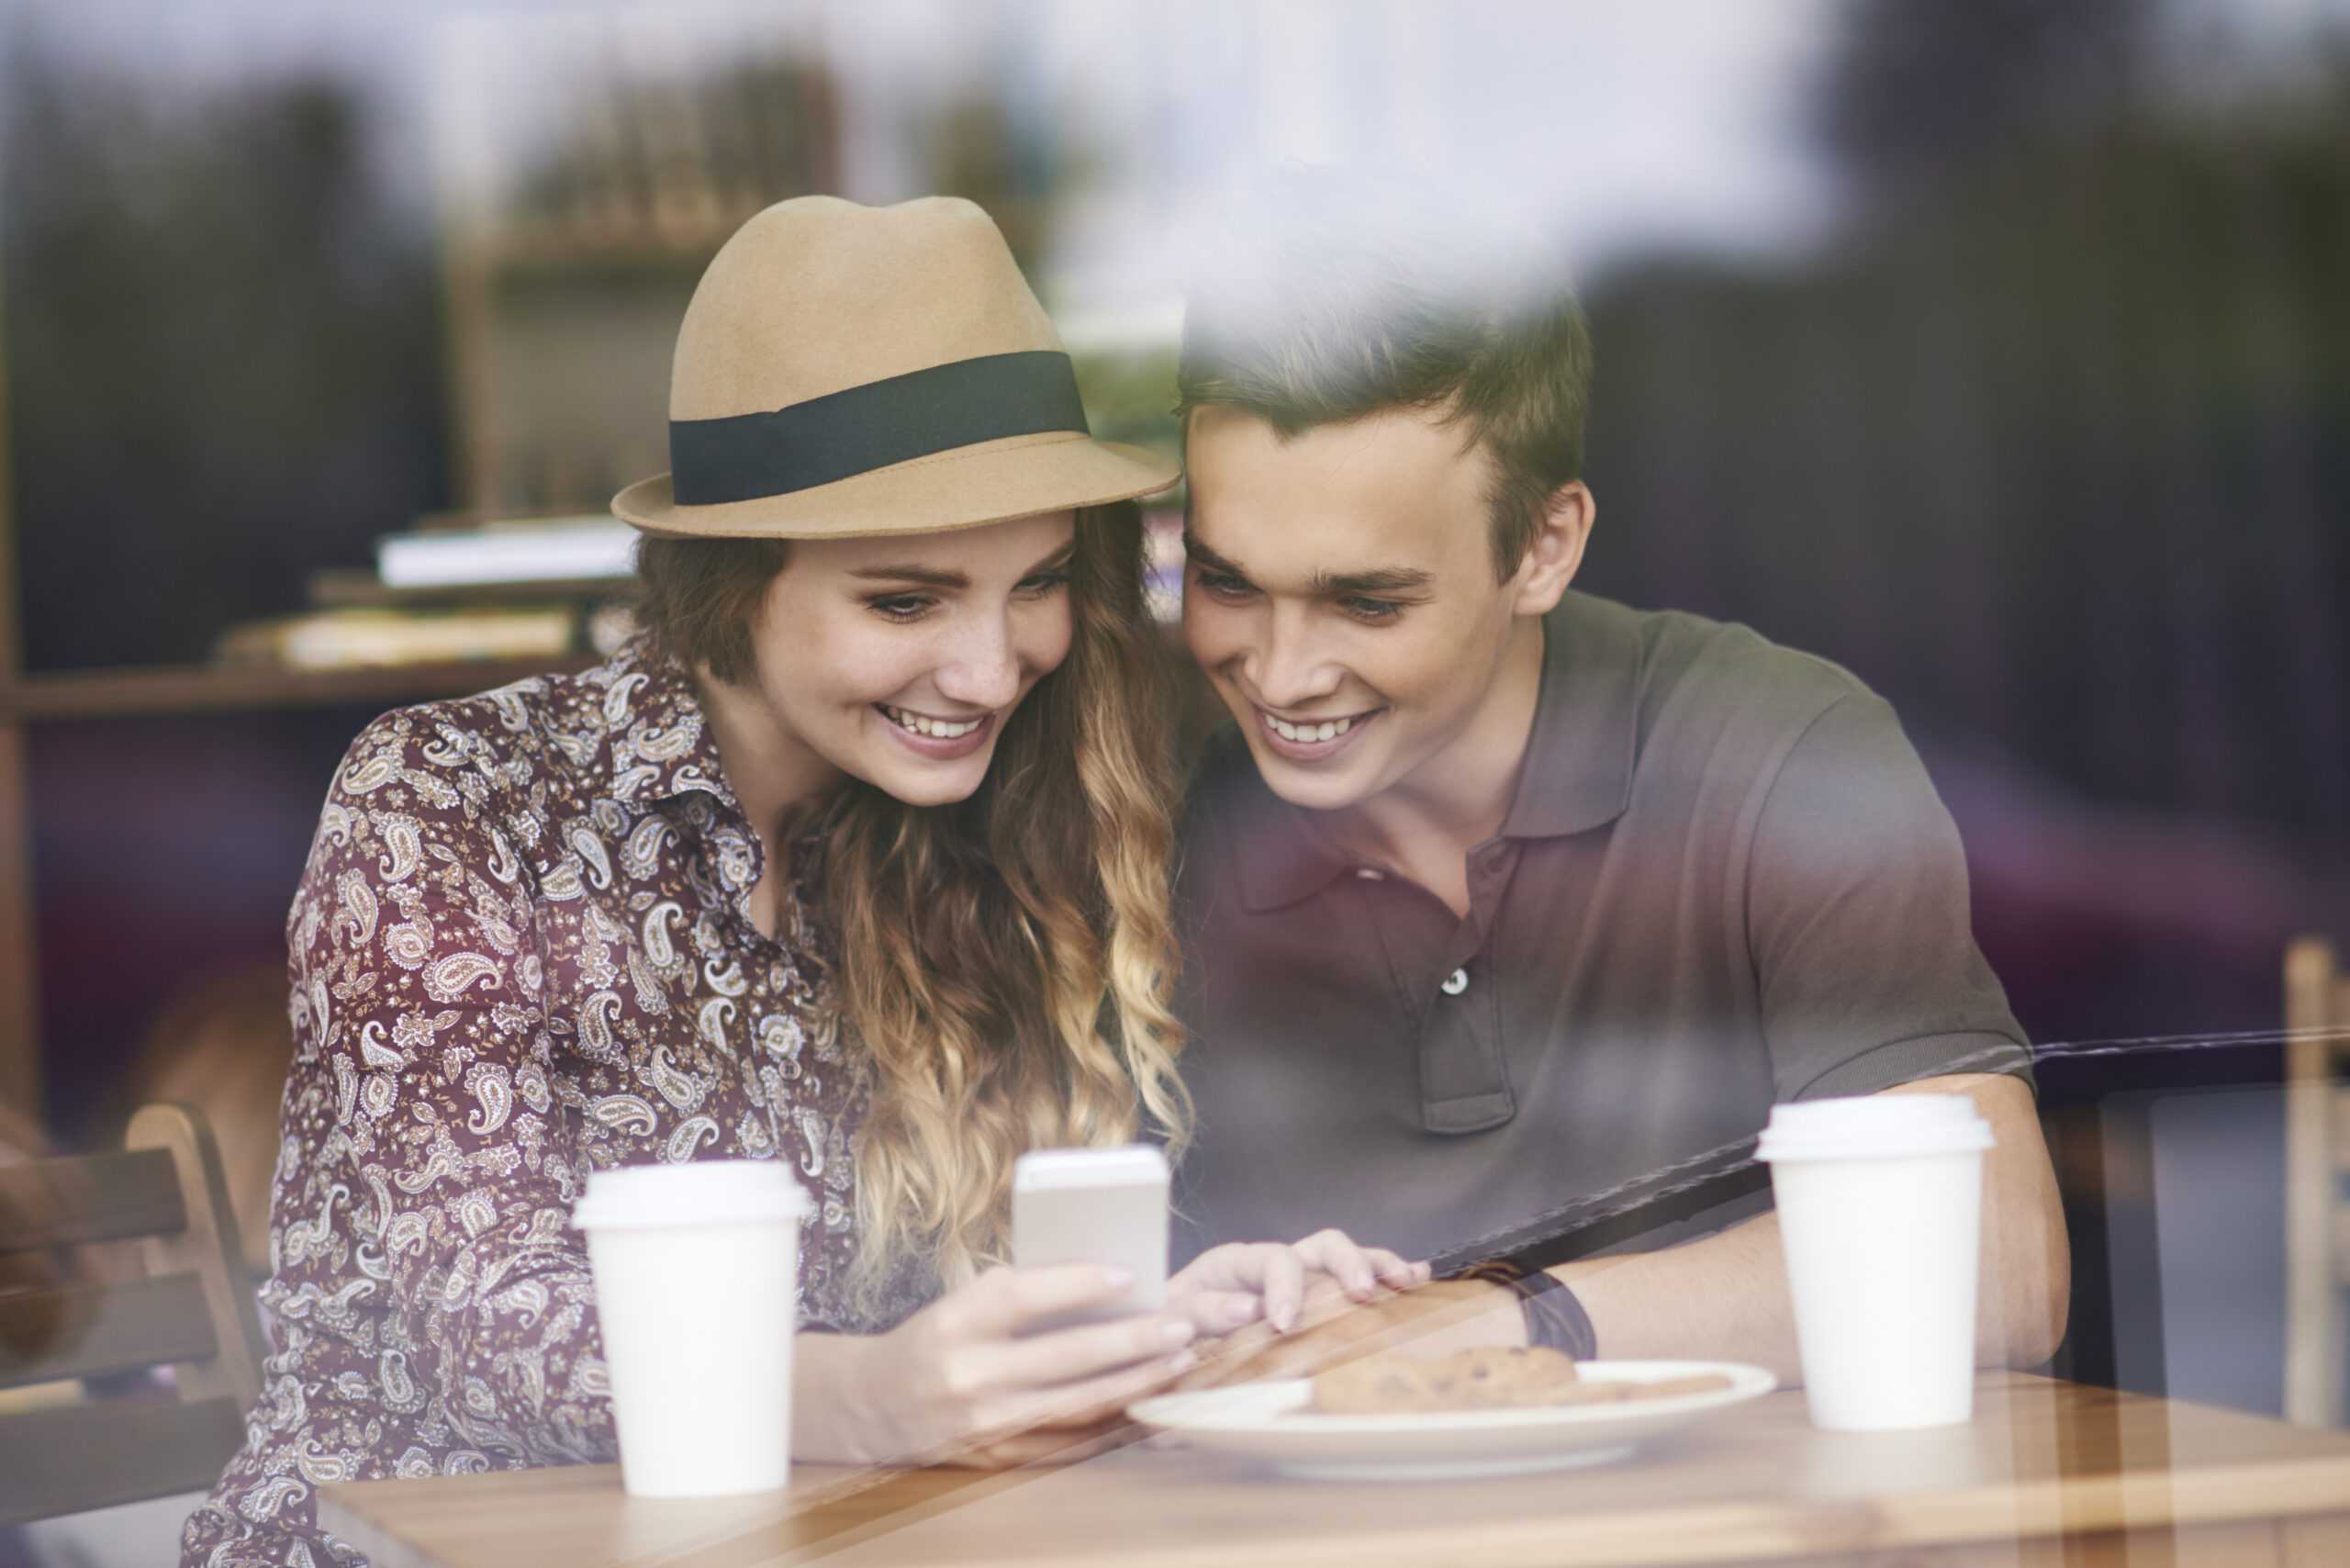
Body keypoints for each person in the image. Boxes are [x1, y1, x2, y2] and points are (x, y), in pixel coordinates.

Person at [185, 196, 1417, 1568]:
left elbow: (949, 1330)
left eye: (1039, 584)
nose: (993, 668)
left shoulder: (944, 833)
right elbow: (485, 1332)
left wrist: (1169, 1328)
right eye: (906, 601)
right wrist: (875, 1399)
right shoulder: (448, 804)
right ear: (731, 580)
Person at [1167, 167, 2068, 1382]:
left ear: (1544, 548)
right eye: (1228, 584)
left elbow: (1993, 1271)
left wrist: (1500, 1320)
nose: (1277, 672)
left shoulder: (1775, 752)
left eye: (1365, 602)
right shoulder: (1151, 827)